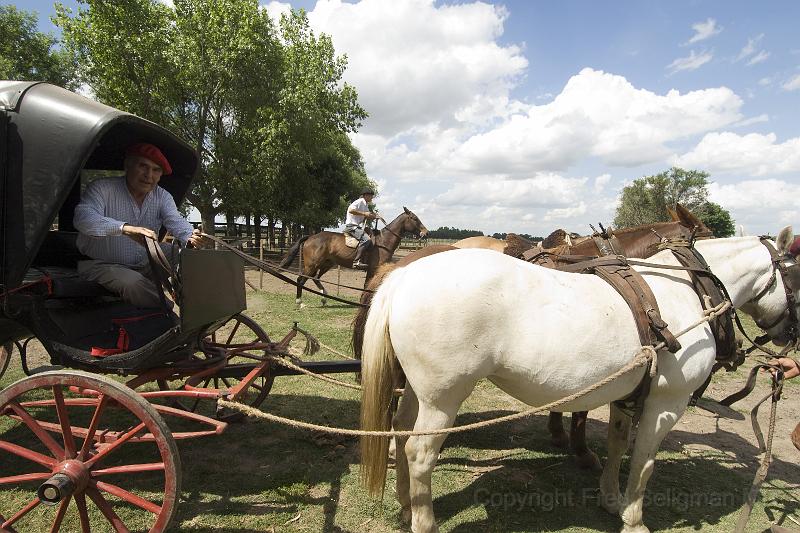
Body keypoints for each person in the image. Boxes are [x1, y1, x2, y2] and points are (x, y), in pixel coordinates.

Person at [73, 142, 204, 308]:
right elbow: (83, 218)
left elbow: (175, 220)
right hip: (102, 265)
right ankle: (168, 313)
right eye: (143, 166)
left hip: (145, 262)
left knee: (184, 255)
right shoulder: (102, 188)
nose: (149, 175)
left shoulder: (163, 196)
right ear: (128, 165)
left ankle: (192, 304)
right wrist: (125, 229)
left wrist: (190, 236)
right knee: (132, 282)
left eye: (156, 170)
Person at [344, 187, 378, 270]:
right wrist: (364, 213)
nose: (372, 198)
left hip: (356, 226)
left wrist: (374, 216)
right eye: (371, 196)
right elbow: (351, 210)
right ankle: (356, 261)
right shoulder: (359, 201)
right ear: (365, 195)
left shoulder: (365, 204)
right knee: (367, 240)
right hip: (351, 226)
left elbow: (368, 214)